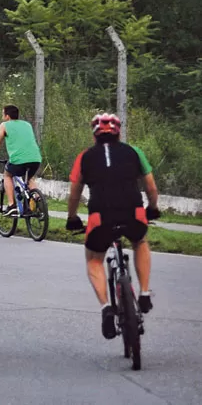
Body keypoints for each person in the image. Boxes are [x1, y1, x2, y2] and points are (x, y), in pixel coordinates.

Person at [65, 114, 160, 339]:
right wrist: (153, 207)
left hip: (100, 216)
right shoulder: (134, 152)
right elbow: (151, 187)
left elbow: (75, 192)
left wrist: (72, 218)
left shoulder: (85, 157)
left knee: (94, 259)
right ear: (118, 132)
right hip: (133, 211)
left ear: (94, 134)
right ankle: (145, 293)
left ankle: (106, 308)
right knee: (140, 241)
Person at [0, 105, 43, 216]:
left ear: (7, 116)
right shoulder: (27, 124)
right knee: (28, 178)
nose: (2, 117)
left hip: (18, 159)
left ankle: (12, 205)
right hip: (35, 158)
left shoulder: (4, 125)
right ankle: (39, 200)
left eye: (3, 114)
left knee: (7, 175)